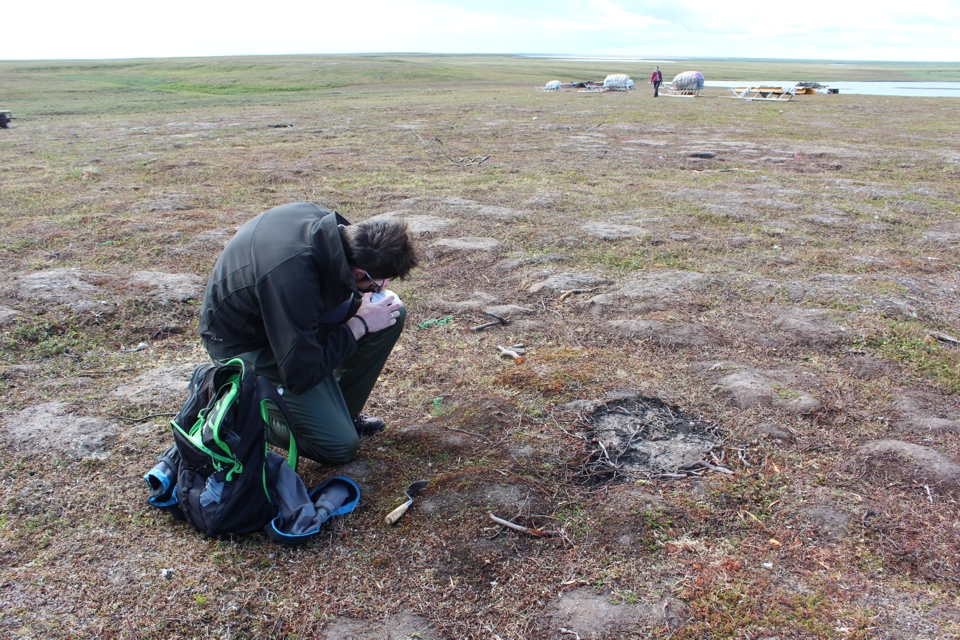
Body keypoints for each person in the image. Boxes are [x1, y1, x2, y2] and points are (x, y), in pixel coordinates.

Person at [198, 202, 418, 465]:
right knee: (338, 445)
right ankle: (237, 416)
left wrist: (365, 312)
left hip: (280, 318)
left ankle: (340, 413)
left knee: (391, 313)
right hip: (243, 343)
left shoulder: (328, 228)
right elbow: (300, 374)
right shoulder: (293, 279)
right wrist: (359, 325)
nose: (381, 287)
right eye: (379, 282)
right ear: (359, 272)